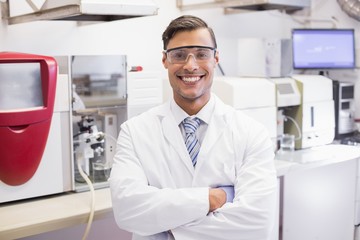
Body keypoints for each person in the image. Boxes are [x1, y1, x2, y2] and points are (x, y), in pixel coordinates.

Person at [109, 15, 277, 240]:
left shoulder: (251, 133)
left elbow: (257, 223)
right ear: (165, 60)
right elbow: (127, 210)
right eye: (179, 55)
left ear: (216, 58)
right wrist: (211, 199)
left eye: (201, 54)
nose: (190, 65)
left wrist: (167, 227)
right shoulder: (135, 131)